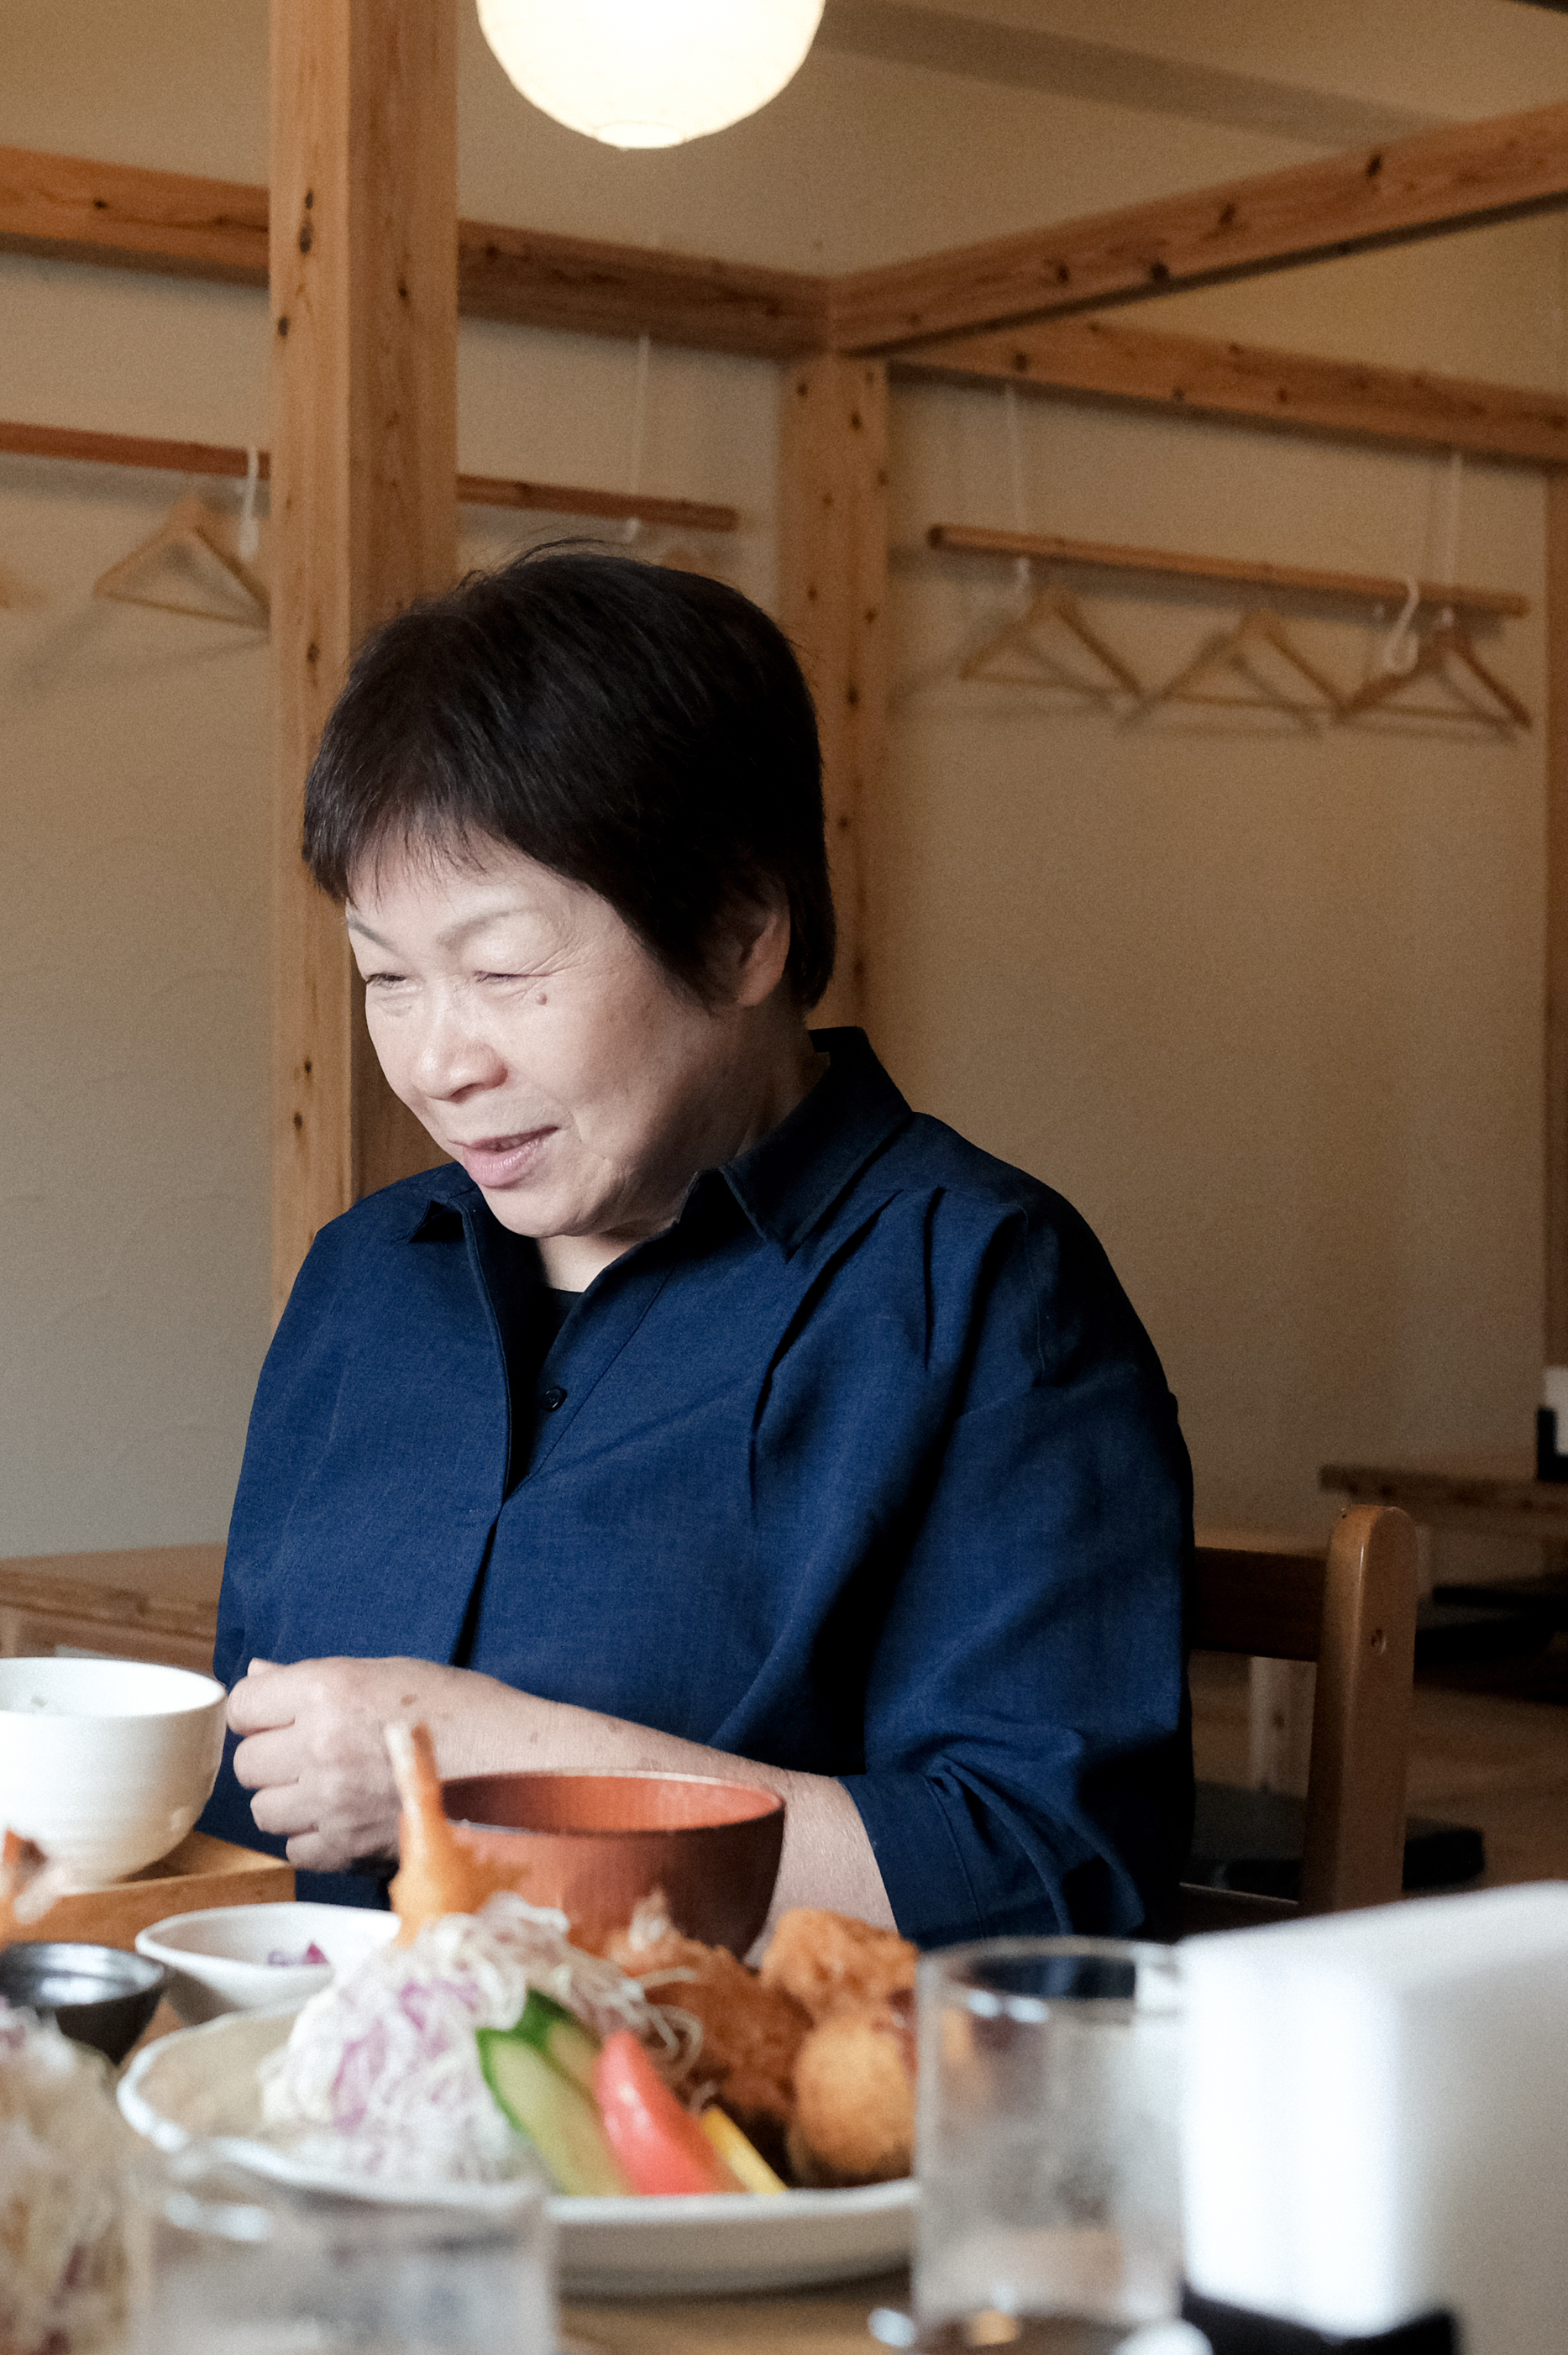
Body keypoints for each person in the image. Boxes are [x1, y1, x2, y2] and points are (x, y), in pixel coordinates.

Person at [203, 550, 1194, 1944]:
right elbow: (245, 1831)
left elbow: (1051, 1883)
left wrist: (499, 1773)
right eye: (385, 978)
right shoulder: (370, 1279)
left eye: (500, 972)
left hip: (716, 2133)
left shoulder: (975, 1290)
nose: (435, 1062)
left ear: (740, 935)